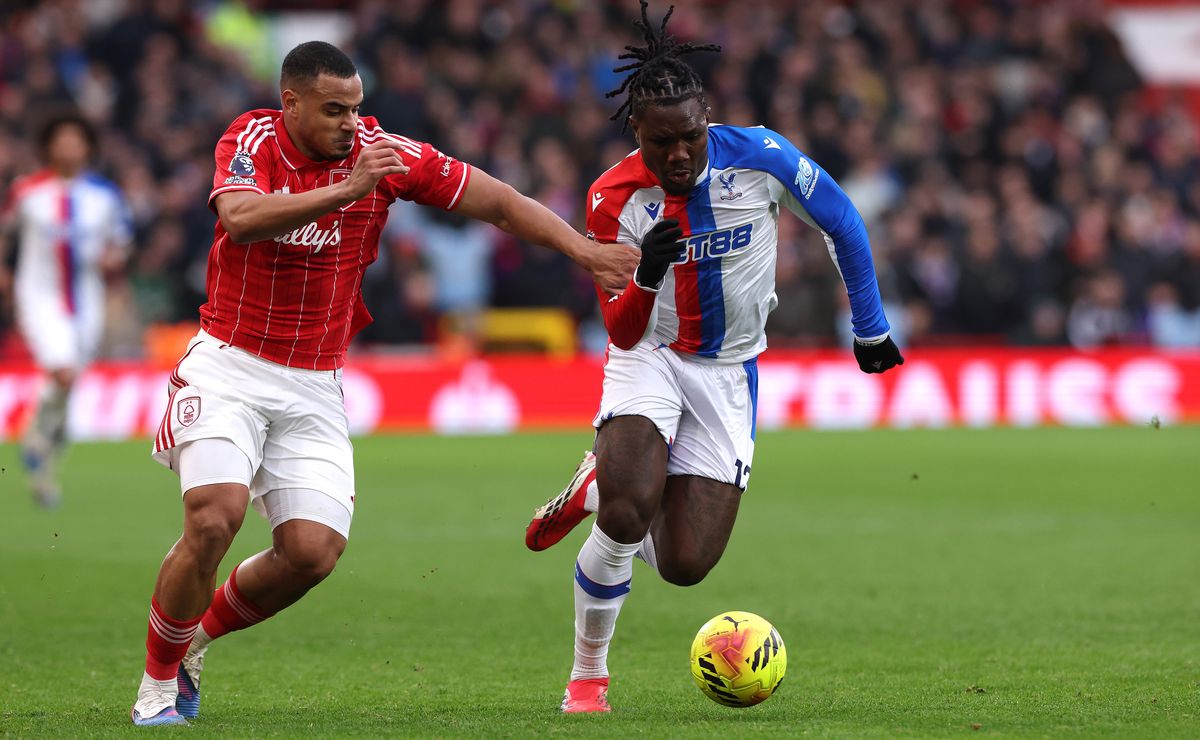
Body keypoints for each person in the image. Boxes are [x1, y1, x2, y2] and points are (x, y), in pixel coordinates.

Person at [129, 40, 637, 726]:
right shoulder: (251, 138)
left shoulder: (385, 152)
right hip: (230, 363)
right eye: (334, 110)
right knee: (214, 515)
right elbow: (239, 220)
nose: (350, 124)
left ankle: (194, 644)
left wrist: (585, 252)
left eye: (357, 108)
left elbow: (500, 203)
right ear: (292, 104)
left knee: (311, 553)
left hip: (314, 381)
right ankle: (157, 686)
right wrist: (347, 188)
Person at [523, 2, 904, 713]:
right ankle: (587, 681)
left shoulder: (761, 156)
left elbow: (843, 221)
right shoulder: (614, 198)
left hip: (730, 370)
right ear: (637, 132)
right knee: (629, 518)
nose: (679, 156)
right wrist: (643, 276)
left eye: (691, 137)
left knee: (687, 566)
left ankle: (597, 484)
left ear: (708, 119)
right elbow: (622, 328)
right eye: (662, 142)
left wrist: (871, 328)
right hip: (652, 357)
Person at [0, 113, 131, 508]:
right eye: (61, 140)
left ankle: (43, 456)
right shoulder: (27, 192)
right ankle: (41, 439)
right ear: (49, 146)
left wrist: (113, 259)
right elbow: (5, 234)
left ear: (88, 146)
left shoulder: (105, 196)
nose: (68, 147)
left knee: (68, 382)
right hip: (38, 295)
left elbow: (122, 242)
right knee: (62, 371)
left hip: (85, 297)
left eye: (76, 140)